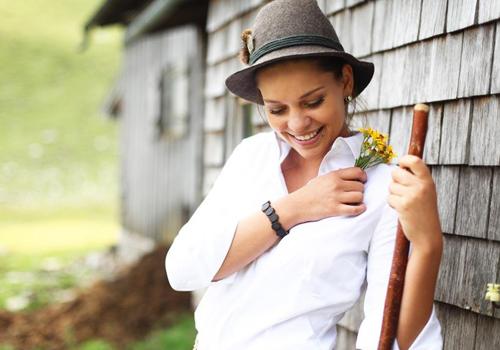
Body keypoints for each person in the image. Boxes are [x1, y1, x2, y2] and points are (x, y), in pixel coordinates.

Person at [165, 0, 444, 349]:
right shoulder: (252, 157)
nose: (297, 124)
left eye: (312, 102)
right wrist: (294, 208)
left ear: (344, 81)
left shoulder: (383, 188)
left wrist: (429, 244)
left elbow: (391, 337)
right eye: (277, 109)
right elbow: (184, 268)